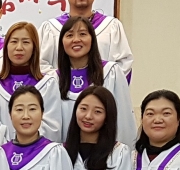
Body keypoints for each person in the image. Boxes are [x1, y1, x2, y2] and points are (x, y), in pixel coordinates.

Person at [38, 0, 133, 80]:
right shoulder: (51, 28)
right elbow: (40, 65)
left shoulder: (111, 26)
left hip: (100, 89)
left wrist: (97, 84)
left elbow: (123, 66)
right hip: (60, 90)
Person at [56, 16, 136, 145]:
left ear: (92, 39)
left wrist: (120, 153)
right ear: (62, 42)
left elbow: (123, 119)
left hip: (105, 153)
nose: (76, 40)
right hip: (65, 152)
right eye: (69, 35)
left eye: (82, 34)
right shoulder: (54, 79)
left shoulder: (111, 72)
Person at [0, 21, 61, 143]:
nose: (19, 48)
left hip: (39, 154)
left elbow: (51, 129)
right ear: (6, 47)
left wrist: (26, 146)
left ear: (34, 48)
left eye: (26, 42)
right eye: (14, 41)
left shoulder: (47, 84)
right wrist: (11, 147)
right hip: (0, 153)